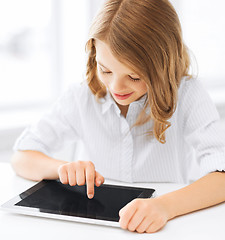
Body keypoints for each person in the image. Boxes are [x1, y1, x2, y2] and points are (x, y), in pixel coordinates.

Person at [11, 0, 225, 234]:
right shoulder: (82, 96)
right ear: (94, 55)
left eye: (134, 76)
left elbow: (221, 176)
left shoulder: (188, 94)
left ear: (163, 65)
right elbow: (22, 157)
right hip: (94, 228)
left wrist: (165, 206)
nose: (116, 86)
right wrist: (63, 168)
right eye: (106, 70)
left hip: (164, 228)